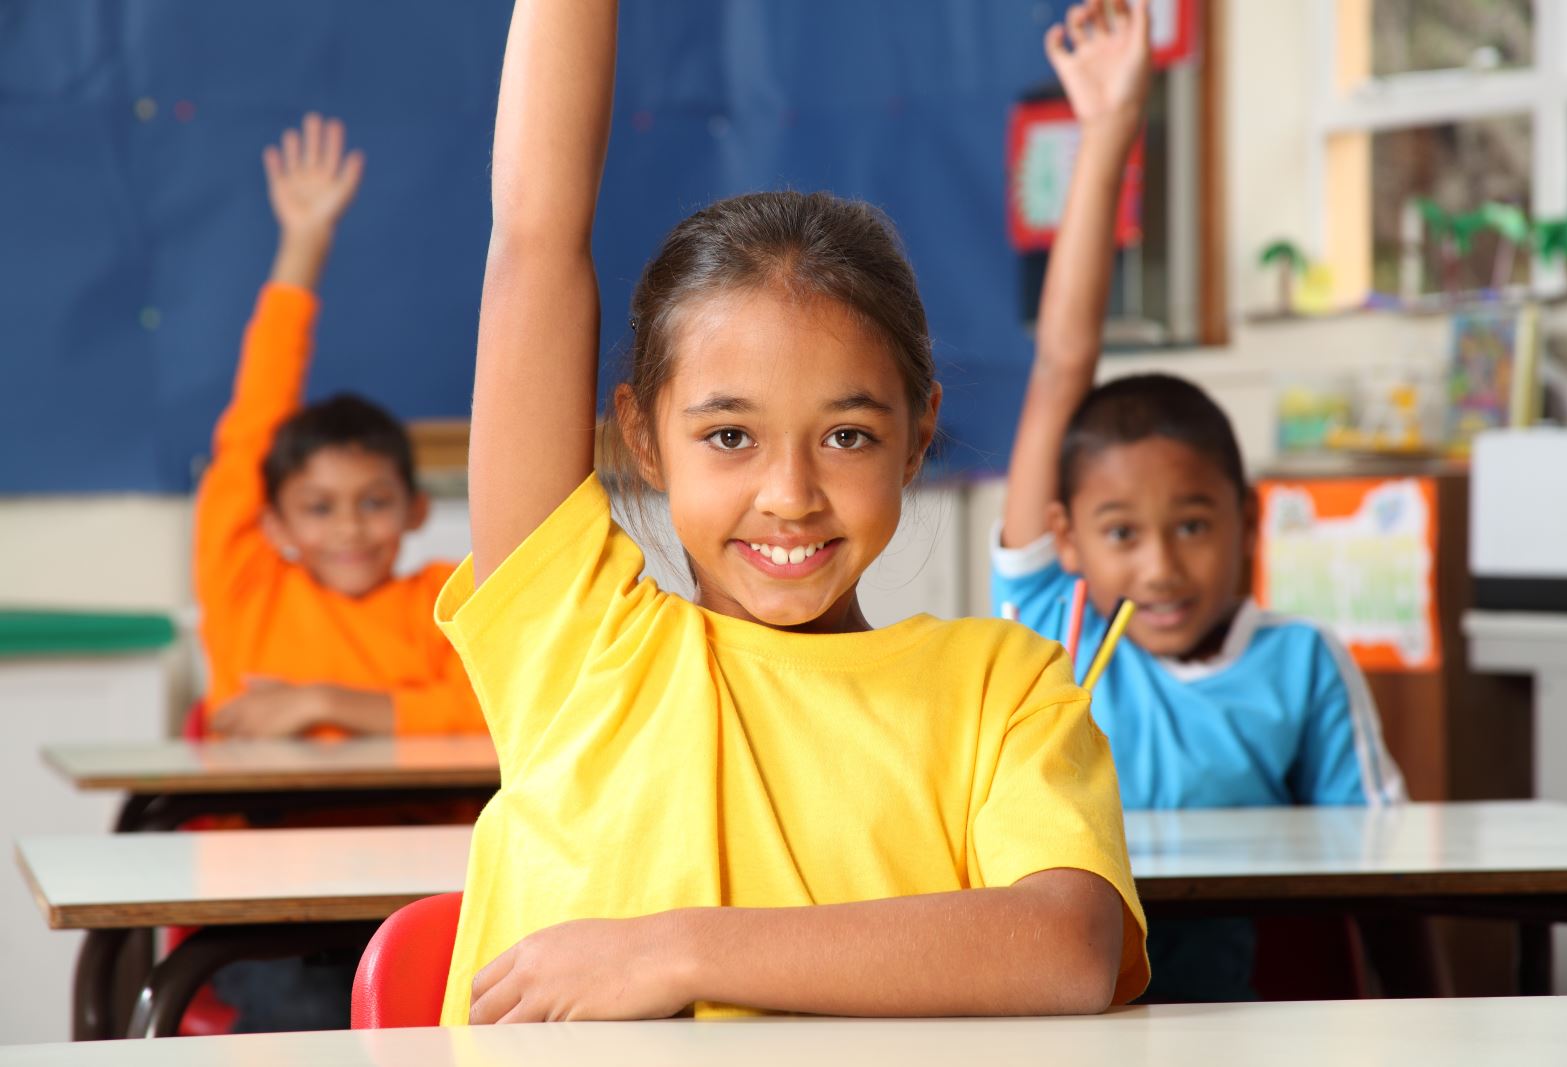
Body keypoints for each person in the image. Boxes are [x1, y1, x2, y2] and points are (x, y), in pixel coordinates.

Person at [435, 0, 1151, 1024]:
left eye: (848, 435)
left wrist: (682, 947)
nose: (790, 494)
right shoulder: (576, 646)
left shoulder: (1003, 687)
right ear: (642, 436)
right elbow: (534, 241)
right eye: (729, 435)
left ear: (917, 433)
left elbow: (1067, 946)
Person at [991, 0, 1404, 1001]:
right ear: (1064, 540)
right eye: (1121, 532)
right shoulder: (1053, 630)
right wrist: (1110, 130)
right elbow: (1058, 366)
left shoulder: (1300, 665)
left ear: (1248, 525)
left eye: (1192, 525)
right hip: (1071, 1021)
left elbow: (1392, 877)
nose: (1162, 567)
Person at [195, 112, 483, 740]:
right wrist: (306, 243)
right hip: (259, 837)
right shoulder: (247, 586)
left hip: (415, 836)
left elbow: (498, 716)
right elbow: (254, 419)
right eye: (319, 508)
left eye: (375, 502)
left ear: (415, 510)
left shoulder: (445, 604)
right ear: (274, 522)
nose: (349, 527)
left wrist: (321, 703)